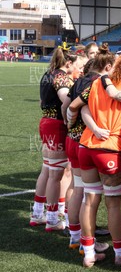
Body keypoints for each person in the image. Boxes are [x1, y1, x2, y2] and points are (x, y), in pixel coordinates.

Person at [75, 49, 121, 267]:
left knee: (90, 200)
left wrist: (90, 127)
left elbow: (79, 107)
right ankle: (120, 253)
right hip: (111, 149)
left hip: (86, 146)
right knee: (113, 205)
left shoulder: (96, 83)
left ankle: (88, 253)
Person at [61, 46, 115, 254]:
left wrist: (69, 125)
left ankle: (76, 237)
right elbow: (79, 107)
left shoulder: (79, 80)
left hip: (72, 140)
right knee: (89, 194)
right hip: (86, 141)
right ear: (107, 67)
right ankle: (87, 242)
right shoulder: (97, 82)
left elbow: (65, 105)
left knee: (78, 188)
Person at [30, 47, 85, 231]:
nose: (78, 68)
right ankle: (52, 218)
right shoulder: (61, 77)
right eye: (76, 64)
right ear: (68, 63)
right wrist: (70, 115)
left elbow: (40, 101)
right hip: (56, 125)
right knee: (56, 174)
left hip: (46, 121)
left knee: (48, 170)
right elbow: (66, 99)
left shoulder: (48, 74)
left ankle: (38, 213)